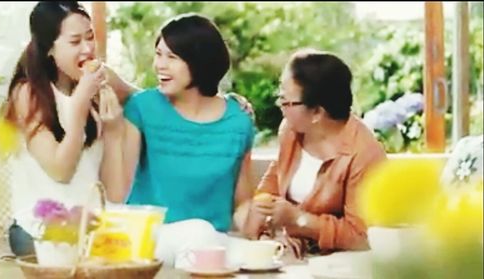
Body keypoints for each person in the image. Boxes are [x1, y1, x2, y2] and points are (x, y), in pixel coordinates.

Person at [103, 13, 257, 266]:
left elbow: (242, 203)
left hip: (209, 243)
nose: (159, 65)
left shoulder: (238, 122)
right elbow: (117, 194)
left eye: (171, 57)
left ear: (199, 63)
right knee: (198, 232)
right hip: (148, 240)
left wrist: (258, 223)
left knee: (239, 251)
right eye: (158, 54)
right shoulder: (142, 108)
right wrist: (112, 132)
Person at [3, 1, 127, 256]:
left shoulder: (98, 86)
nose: (88, 49)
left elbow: (113, 193)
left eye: (90, 37)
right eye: (74, 42)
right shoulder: (28, 94)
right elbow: (61, 171)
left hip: (91, 228)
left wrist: (114, 131)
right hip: (37, 229)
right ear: (49, 48)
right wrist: (79, 106)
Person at [242, 49, 387, 257]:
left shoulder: (364, 154)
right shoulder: (291, 130)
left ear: (317, 112)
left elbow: (361, 236)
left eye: (286, 101)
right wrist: (264, 221)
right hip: (292, 257)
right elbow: (274, 182)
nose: (279, 107)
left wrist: (300, 221)